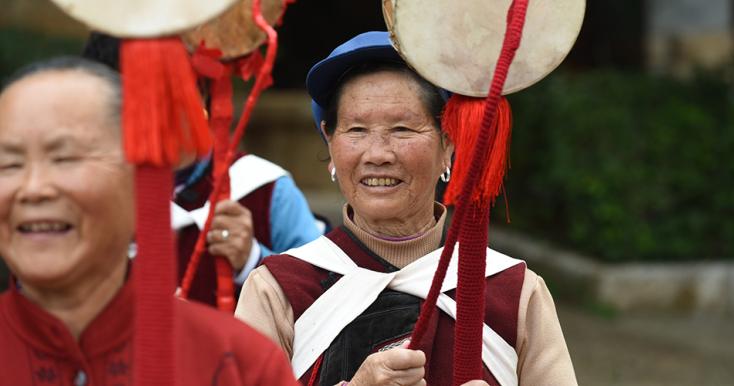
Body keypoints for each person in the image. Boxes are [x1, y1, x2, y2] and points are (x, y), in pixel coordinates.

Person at [234, 32, 577, 386]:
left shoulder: (514, 292)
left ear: (447, 145)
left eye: (402, 129)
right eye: (356, 130)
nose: (378, 153)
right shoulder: (279, 290)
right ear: (330, 143)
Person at [0, 56, 297, 385]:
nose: (34, 189)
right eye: (8, 164)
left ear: (141, 180)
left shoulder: (240, 362)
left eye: (65, 158)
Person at [83, 32, 322, 306]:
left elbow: (328, 301)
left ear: (204, 93)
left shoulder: (264, 189)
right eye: (133, 93)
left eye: (169, 90)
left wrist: (252, 260)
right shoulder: (84, 190)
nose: (152, 111)